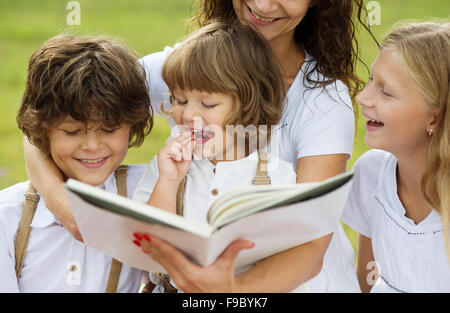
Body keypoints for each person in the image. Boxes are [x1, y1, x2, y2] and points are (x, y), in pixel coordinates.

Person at [23, 0, 375, 292]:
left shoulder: (323, 101)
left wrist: (224, 292)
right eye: (178, 100)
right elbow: (52, 110)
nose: (265, 5)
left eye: (208, 105)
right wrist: (67, 209)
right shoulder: (186, 67)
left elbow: (311, 242)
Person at [132, 21, 311, 292]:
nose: (189, 115)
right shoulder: (165, 170)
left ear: (248, 105)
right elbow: (146, 251)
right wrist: (168, 183)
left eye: (208, 104)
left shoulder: (279, 177)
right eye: (180, 101)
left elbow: (287, 266)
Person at [0, 34, 153, 292]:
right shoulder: (8, 217)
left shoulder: (149, 192)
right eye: (72, 132)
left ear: (132, 124)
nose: (92, 146)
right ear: (43, 130)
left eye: (110, 129)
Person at [341, 22, 450, 293]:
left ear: (433, 117)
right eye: (370, 81)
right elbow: (365, 279)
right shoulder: (371, 173)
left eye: (386, 92)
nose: (362, 98)